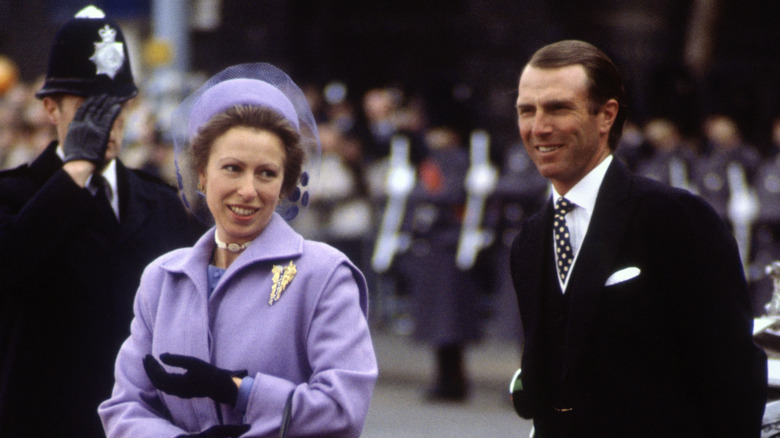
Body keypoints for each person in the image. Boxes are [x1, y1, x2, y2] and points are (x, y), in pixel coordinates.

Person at [98, 63, 378, 437]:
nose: (249, 190)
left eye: (266, 173)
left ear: (284, 185)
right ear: (201, 173)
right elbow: (125, 407)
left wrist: (241, 392)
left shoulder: (324, 274)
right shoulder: (163, 278)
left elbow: (343, 409)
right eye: (232, 168)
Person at [508, 40, 767, 437]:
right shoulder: (529, 241)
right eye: (527, 110)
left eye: (559, 108)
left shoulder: (677, 218)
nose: (539, 127)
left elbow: (732, 376)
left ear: (606, 116)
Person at [0, 6, 201, 437]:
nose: (105, 124)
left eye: (115, 107)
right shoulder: (13, 195)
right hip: (44, 420)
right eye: (86, 107)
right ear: (50, 108)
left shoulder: (160, 203)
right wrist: (75, 170)